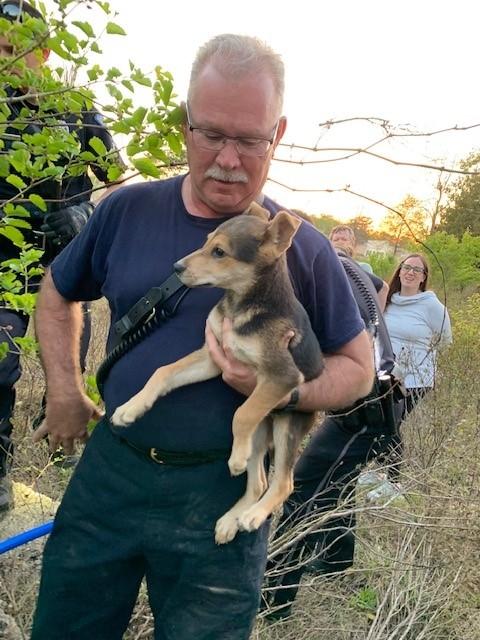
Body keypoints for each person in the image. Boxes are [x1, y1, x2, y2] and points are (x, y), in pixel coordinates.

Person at [29, 34, 374, 639]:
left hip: (220, 490)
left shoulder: (305, 249)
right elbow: (58, 293)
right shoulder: (125, 211)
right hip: (113, 470)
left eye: (249, 139)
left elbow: (358, 370)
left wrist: (280, 391)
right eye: (212, 133)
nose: (229, 158)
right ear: (186, 125)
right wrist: (63, 390)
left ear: (278, 133)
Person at [0, 0, 123, 509]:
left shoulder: (74, 106)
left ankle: (63, 450)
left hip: (63, 271)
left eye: (16, 48)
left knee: (70, 373)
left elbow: (117, 181)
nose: (6, 59)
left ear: (45, 51)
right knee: (0, 363)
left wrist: (84, 216)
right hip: (6, 272)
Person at [261, 246, 404, 621]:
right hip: (371, 402)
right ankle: (338, 560)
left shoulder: (319, 275)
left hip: (366, 412)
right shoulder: (350, 269)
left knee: (304, 488)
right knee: (337, 483)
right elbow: (377, 288)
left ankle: (275, 600)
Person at [383, 253, 452, 471]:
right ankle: (380, 473)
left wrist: (417, 358)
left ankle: (393, 480)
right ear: (399, 270)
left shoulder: (431, 305)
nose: (410, 273)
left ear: (423, 277)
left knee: (391, 424)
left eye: (417, 270)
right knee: (382, 424)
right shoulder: (388, 299)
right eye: (407, 267)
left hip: (416, 378)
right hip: (389, 373)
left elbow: (445, 340)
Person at [329, 225, 389, 310]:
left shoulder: (363, 267)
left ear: (352, 243)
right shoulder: (324, 264)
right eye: (336, 239)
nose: (340, 242)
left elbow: (376, 292)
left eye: (344, 239)